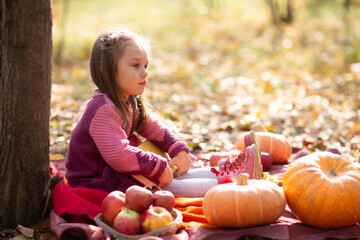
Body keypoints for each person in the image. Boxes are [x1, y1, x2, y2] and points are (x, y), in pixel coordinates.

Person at [65, 27, 260, 197]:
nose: (144, 72)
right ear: (106, 69)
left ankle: (235, 173)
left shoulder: (128, 102)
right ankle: (234, 185)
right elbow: (119, 155)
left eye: (145, 66)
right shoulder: (102, 110)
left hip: (115, 172)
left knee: (173, 174)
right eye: (135, 65)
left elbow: (154, 128)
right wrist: (157, 165)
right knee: (164, 182)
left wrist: (177, 149)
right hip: (95, 182)